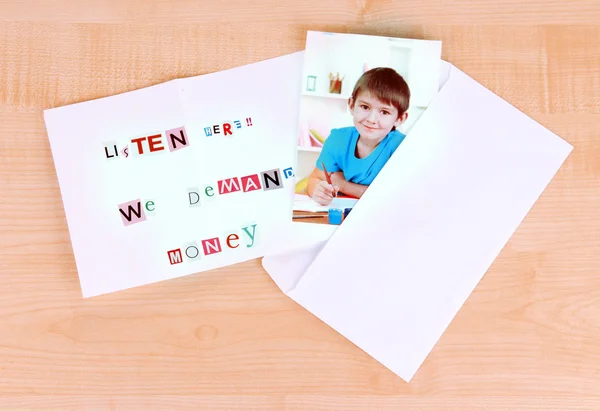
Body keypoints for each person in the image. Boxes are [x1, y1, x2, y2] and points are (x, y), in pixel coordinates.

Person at [307, 67, 410, 206]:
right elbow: (315, 179)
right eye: (365, 107)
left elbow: (394, 198)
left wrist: (342, 184)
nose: (372, 119)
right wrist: (317, 191)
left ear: (400, 118)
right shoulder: (338, 139)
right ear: (351, 105)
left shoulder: (402, 147)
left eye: (384, 112)